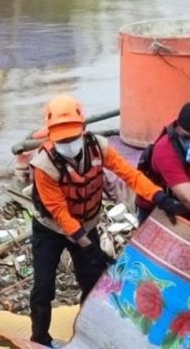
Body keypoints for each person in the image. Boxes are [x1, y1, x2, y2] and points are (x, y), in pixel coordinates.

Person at [28, 94, 186, 348]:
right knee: (43, 288)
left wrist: (160, 198)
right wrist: (88, 247)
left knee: (92, 283)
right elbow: (58, 211)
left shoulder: (98, 147)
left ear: (83, 130)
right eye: (62, 140)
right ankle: (39, 338)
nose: (68, 143)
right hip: (51, 230)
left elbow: (130, 175)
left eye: (72, 137)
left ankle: (87, 335)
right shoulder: (44, 164)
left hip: (87, 224)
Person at [136, 102, 190, 222]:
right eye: (187, 138)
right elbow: (187, 198)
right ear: (178, 129)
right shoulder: (165, 151)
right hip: (158, 209)